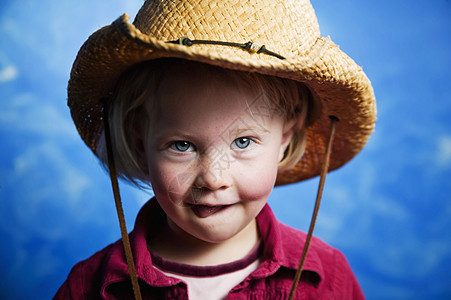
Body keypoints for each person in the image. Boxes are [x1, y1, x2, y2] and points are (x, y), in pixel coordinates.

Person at [55, 0, 376, 299]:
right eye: (182, 146)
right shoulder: (90, 286)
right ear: (141, 143)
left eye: (243, 142)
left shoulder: (327, 278)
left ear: (285, 140)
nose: (212, 179)